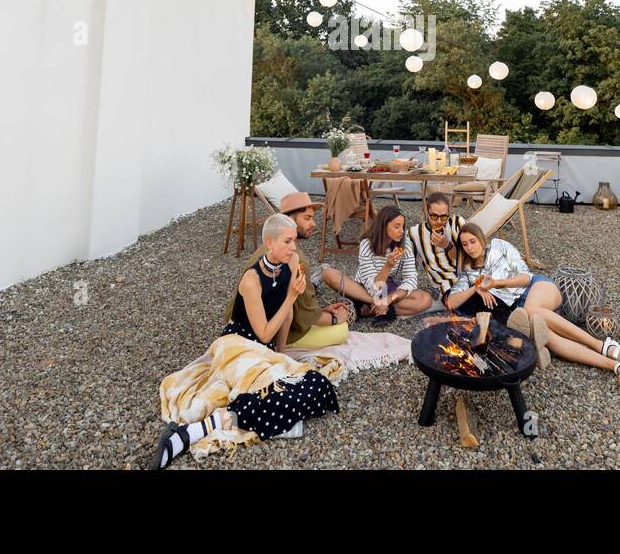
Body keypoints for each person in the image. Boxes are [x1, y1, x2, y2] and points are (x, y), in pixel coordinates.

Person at [156, 214, 339, 468]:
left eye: (294, 241)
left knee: (320, 387)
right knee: (272, 394)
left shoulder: (292, 261)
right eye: (287, 241)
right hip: (239, 344)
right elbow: (263, 333)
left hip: (264, 349)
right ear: (269, 243)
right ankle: (190, 434)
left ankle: (206, 426)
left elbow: (286, 318)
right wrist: (290, 298)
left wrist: (281, 354)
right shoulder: (251, 280)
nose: (293, 247)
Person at [446, 223, 620, 391]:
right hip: (521, 310)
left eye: (473, 241)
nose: (470, 247)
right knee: (550, 339)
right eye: (465, 244)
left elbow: (524, 277)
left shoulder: (499, 245)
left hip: (536, 287)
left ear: (481, 239)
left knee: (532, 311)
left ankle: (604, 346)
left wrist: (495, 284)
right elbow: (451, 302)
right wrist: (476, 287)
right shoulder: (468, 274)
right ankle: (616, 366)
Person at [225, 191, 350, 348]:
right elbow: (304, 312)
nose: (313, 224)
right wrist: (334, 319)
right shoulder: (294, 259)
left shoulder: (269, 248)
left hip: (254, 320)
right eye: (307, 218)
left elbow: (283, 300)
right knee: (342, 331)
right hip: (261, 332)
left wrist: (323, 309)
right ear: (289, 220)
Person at [316, 206, 433, 318]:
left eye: (403, 226)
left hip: (389, 287)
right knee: (328, 273)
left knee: (425, 299)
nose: (402, 231)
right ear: (383, 226)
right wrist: (388, 266)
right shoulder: (367, 244)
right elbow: (372, 288)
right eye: (397, 227)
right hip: (364, 289)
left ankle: (370, 309)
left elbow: (411, 278)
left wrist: (389, 299)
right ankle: (378, 306)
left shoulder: (405, 244)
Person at [406, 192, 466, 307]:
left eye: (444, 216)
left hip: (468, 275)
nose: (439, 221)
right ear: (426, 212)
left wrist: (447, 245)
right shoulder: (414, 233)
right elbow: (410, 266)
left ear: (449, 213)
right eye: (434, 216)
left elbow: (468, 258)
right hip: (446, 284)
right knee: (459, 306)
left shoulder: (457, 223)